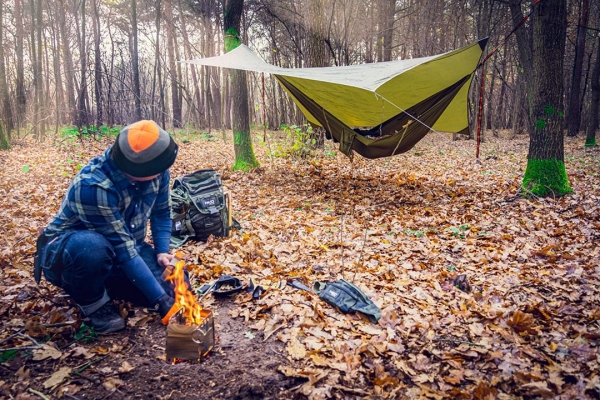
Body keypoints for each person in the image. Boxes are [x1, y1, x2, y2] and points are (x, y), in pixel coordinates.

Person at [35, 120, 182, 334]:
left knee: (175, 286)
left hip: (126, 248)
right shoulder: (92, 187)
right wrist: (161, 302)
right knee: (91, 249)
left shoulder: (157, 172)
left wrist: (161, 252)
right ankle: (94, 303)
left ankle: (108, 285)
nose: (163, 172)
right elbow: (124, 250)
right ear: (139, 169)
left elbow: (161, 212)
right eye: (159, 169)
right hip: (71, 254)